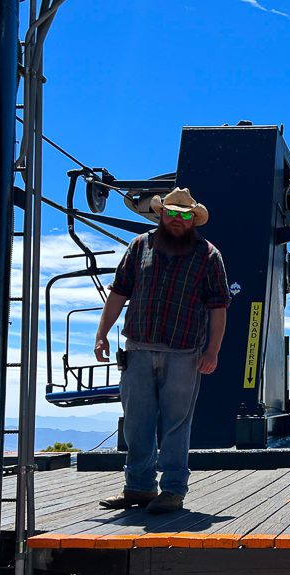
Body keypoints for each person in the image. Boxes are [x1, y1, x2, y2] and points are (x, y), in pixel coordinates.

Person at [94, 187, 231, 513]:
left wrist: (213, 351)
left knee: (175, 424)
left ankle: (172, 490)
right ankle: (138, 488)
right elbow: (119, 294)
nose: (177, 219)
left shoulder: (208, 255)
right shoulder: (139, 246)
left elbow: (219, 306)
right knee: (136, 423)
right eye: (172, 213)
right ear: (161, 214)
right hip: (138, 349)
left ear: (193, 219)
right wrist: (102, 335)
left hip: (184, 354)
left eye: (185, 215)